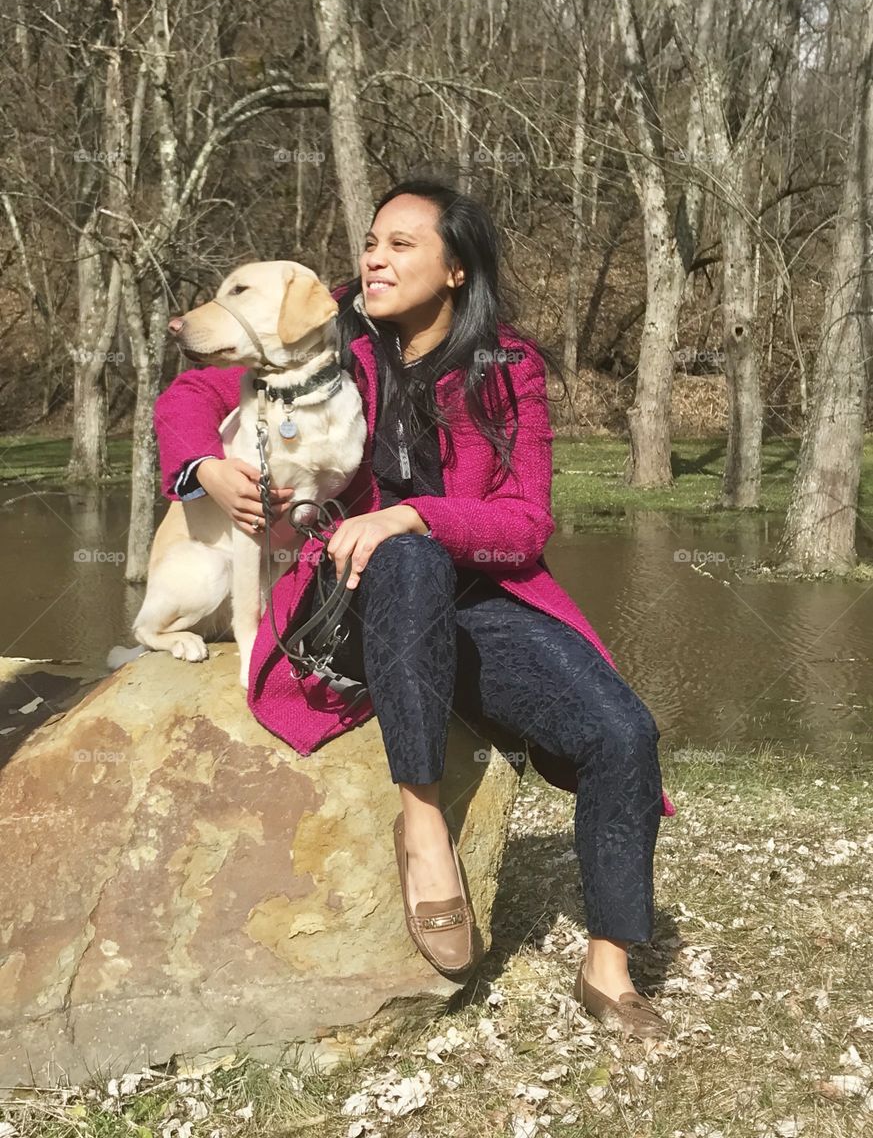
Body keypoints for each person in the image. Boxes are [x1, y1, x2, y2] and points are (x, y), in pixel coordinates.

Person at [156, 177, 672, 1040]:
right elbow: (193, 396)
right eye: (370, 241)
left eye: (400, 245)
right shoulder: (331, 328)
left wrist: (417, 511)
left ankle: (609, 962)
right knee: (401, 555)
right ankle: (424, 828)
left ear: (456, 269)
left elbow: (525, 524)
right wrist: (203, 468)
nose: (372, 258)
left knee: (621, 732)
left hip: (476, 598)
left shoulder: (507, 367)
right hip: (346, 600)